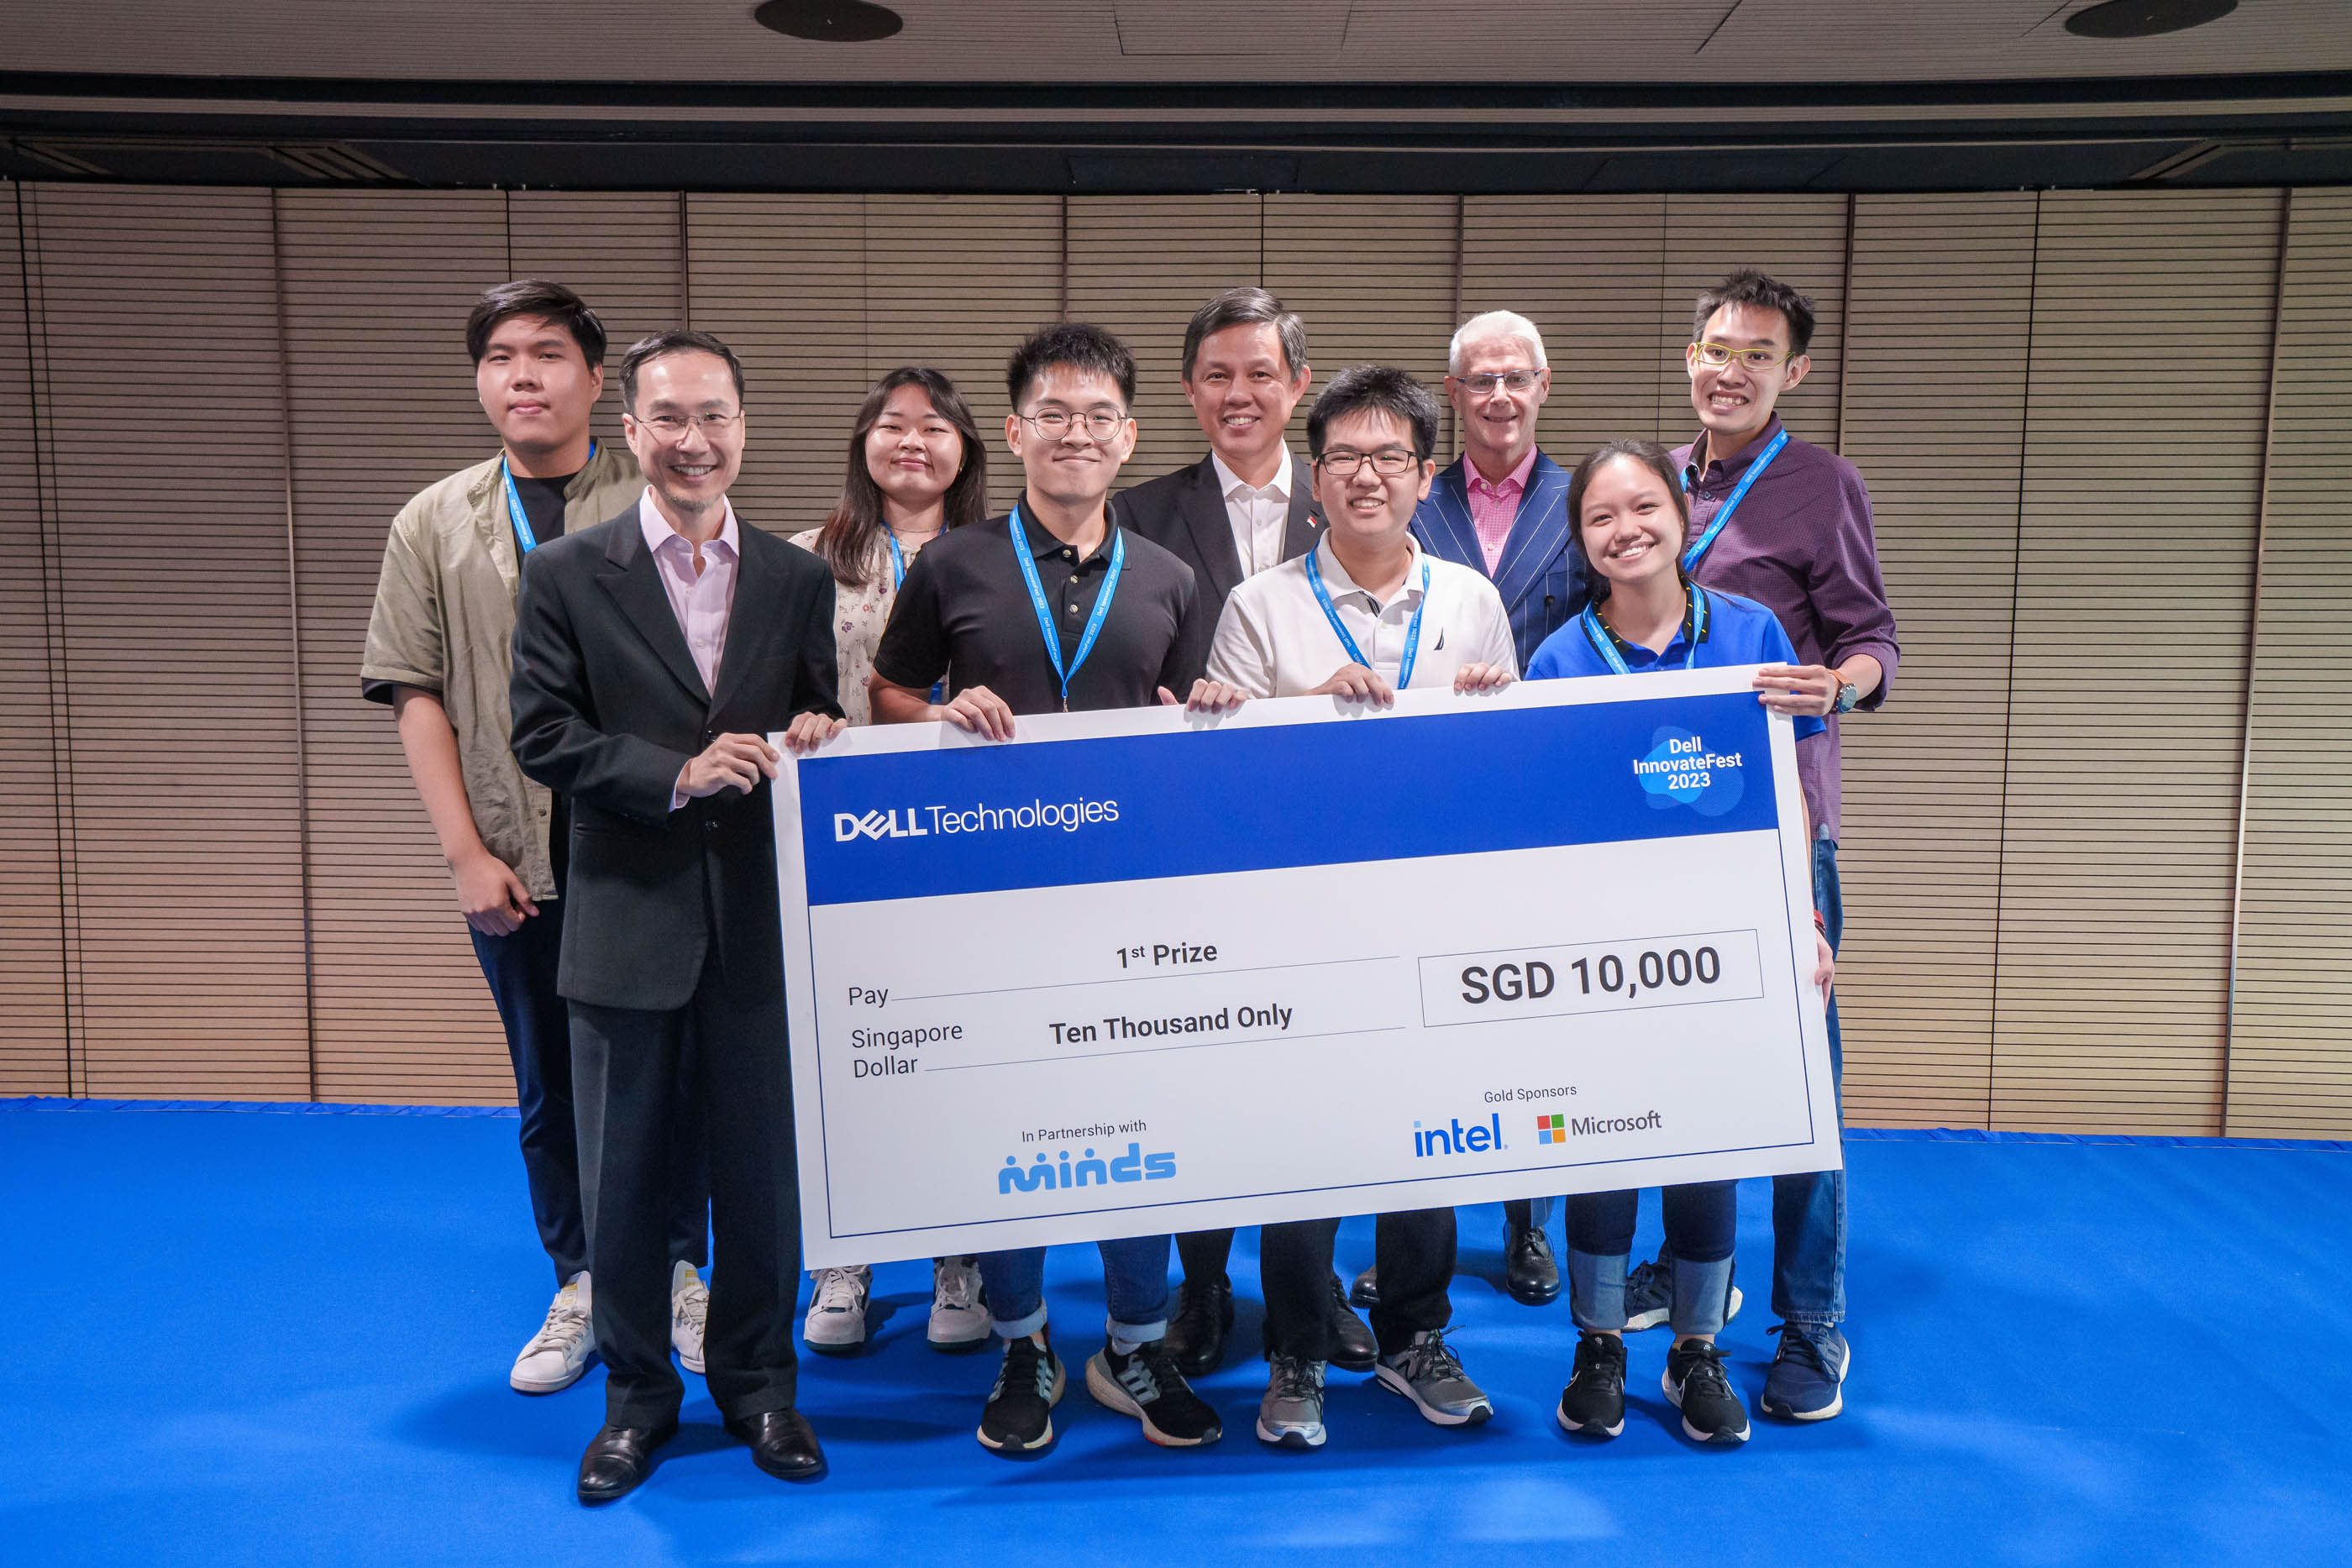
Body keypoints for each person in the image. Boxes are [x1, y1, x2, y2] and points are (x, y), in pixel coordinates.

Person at [869, 321, 1221, 1456]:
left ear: (1130, 436)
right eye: (1053, 414)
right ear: (1016, 432)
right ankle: (1022, 1339)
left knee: (1140, 1118)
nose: (1077, 433)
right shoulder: (953, 563)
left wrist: (1208, 713)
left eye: (1098, 416)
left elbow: (1190, 716)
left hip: (1133, 903)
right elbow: (886, 692)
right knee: (1008, 1120)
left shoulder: (1172, 577)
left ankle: (1134, 1340)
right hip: (988, 902)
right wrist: (938, 712)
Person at [510, 329, 845, 1502]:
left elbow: (813, 710)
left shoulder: (798, 578)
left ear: (743, 428)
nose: (693, 440)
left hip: (760, 923)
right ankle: (637, 1401)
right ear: (632, 431)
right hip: (626, 918)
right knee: (625, 1181)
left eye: (714, 416)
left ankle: (762, 1387)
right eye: (669, 418)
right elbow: (541, 732)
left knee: (763, 1176)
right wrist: (676, 773)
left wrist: (819, 731)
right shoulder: (566, 571)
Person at [360, 280, 710, 1400]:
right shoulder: (431, 521)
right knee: (548, 1083)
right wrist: (464, 851)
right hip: (515, 852)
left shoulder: (656, 494)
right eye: (501, 355)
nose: (524, 375)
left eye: (549, 353)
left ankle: (680, 1270)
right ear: (480, 380)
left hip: (648, 844)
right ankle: (583, 1277)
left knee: (670, 1072)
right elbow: (415, 693)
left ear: (597, 380)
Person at [1185, 364, 1515, 1450]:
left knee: (1430, 1134)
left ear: (1426, 474)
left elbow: (1502, 775)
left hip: (1434, 917)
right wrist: (1298, 713)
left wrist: (1487, 715)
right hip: (1301, 924)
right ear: (1314, 475)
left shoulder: (1471, 602)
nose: (1366, 475)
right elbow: (1223, 784)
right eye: (1344, 457)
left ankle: (1416, 1334)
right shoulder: (1259, 604)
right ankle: (1296, 1347)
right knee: (1305, 1138)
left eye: (1389, 457)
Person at [1625, 270, 1899, 1424]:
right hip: (1648, 837)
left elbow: (1874, 639)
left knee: (1796, 1085)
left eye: (1756, 353)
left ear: (1794, 371)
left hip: (1774, 832)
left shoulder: (1821, 483)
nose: (1729, 369)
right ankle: (1693, 1266)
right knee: (1674, 1070)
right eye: (1715, 348)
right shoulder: (1649, 481)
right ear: (1688, 356)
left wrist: (1838, 681)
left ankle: (1811, 1320)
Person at [1525, 437, 1837, 1447]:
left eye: (1643, 508)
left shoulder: (1751, 632)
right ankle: (1598, 1347)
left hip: (1726, 937)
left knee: (1711, 1136)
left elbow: (1789, 792)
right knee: (1603, 1138)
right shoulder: (1558, 657)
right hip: (1605, 943)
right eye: (1600, 517)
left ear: (1680, 514)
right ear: (1581, 540)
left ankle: (1696, 1348)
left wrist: (1804, 921)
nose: (1626, 530)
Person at [1116, 285, 1369, 1379]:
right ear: (1188, 390)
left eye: (1261, 373)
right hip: (1191, 837)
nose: (1239, 393)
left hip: (1326, 838)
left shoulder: (1353, 495)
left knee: (1317, 1069)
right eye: (1216, 374)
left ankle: (1313, 1287)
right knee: (1201, 1066)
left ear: (1297, 385)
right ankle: (1206, 1283)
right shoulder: (1136, 510)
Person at [785, 366, 992, 1357]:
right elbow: (765, 686)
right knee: (849, 1056)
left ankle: (961, 1253)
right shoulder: (799, 560)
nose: (913, 440)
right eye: (892, 424)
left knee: (964, 1052)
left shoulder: (1005, 557)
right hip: (847, 846)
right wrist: (800, 719)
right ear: (862, 442)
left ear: (967, 448)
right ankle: (845, 1256)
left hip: (978, 844)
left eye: (935, 425)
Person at [1389, 307, 1589, 1308]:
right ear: (1454, 392)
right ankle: (1409, 1235)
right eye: (1480, 379)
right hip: (1417, 795)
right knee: (1417, 1009)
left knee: (1528, 1015)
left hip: (1542, 796)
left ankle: (1526, 1222)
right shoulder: (1407, 490)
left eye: (1517, 377)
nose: (1499, 395)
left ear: (1543, 387)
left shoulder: (1586, 498)